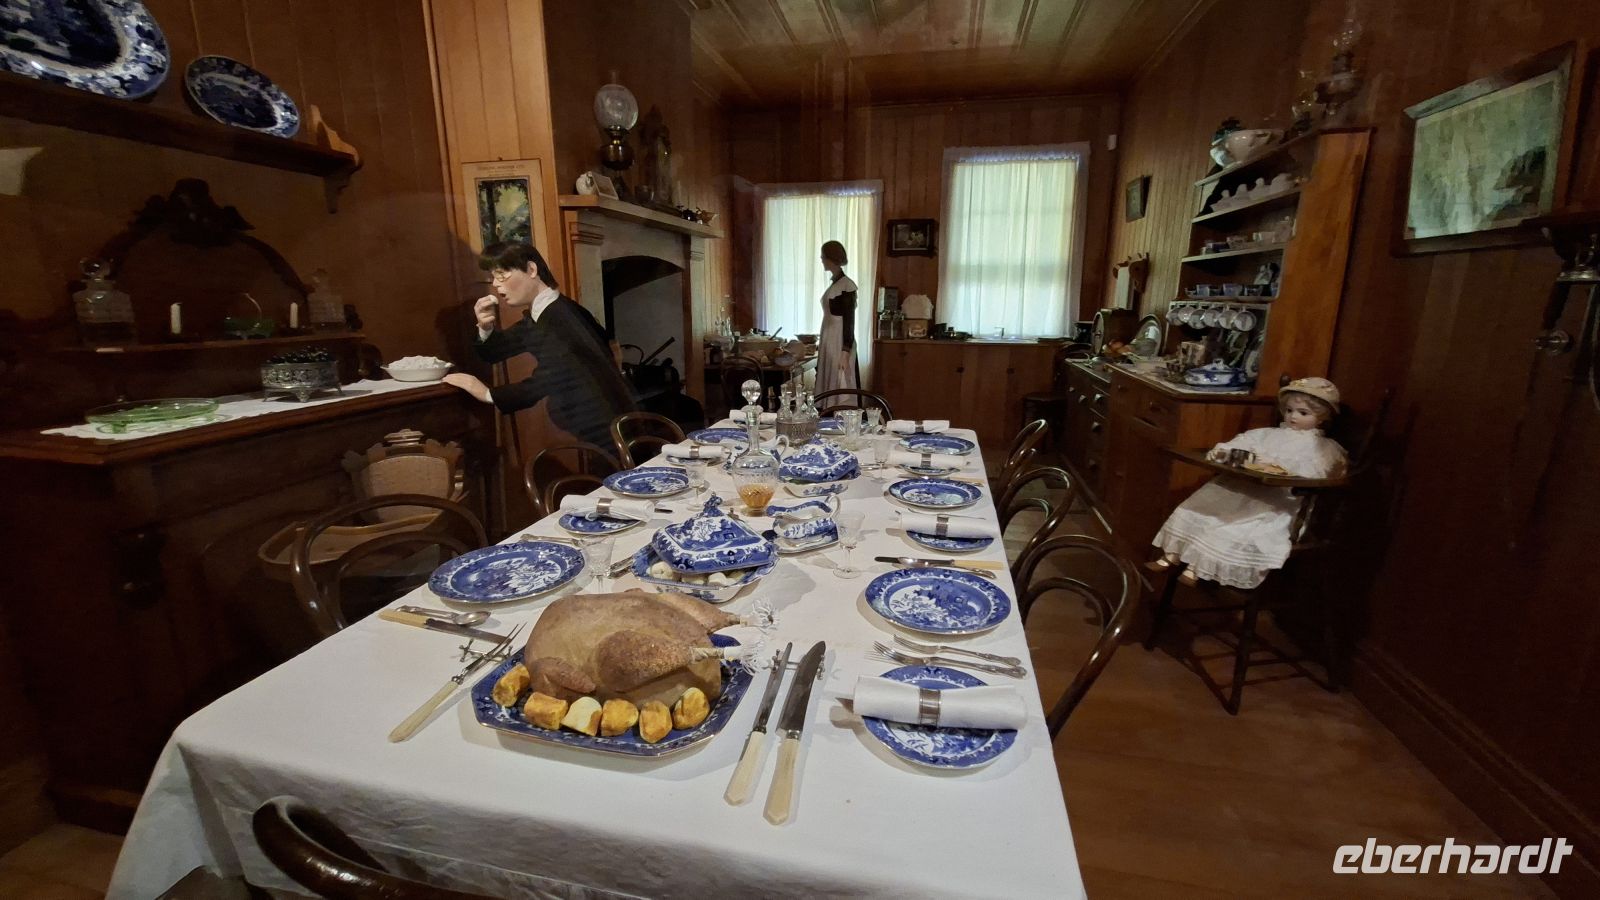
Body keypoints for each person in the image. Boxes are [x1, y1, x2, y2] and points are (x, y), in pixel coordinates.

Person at [1148, 377, 1347, 589]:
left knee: (1232, 527)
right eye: (1289, 410)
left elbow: (1317, 472)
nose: (1293, 416)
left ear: (1322, 418)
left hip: (1277, 500)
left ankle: (1196, 568)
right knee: (1198, 508)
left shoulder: (1322, 448)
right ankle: (1172, 554)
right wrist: (1228, 453)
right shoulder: (1267, 434)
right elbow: (1241, 443)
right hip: (1244, 489)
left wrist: (1278, 467)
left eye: (1303, 413)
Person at [442, 241, 635, 448]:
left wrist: (486, 393)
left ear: (531, 269)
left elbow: (549, 378)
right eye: (493, 277)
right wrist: (485, 326)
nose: (496, 284)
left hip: (605, 428)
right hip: (607, 423)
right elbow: (495, 352)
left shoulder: (558, 318)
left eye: (502, 275)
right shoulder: (546, 313)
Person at [816, 240, 859, 399]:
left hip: (838, 340)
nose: (821, 259)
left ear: (831, 258)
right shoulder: (835, 283)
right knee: (830, 379)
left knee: (841, 380)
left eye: (823, 256)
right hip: (829, 337)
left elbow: (849, 321)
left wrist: (845, 350)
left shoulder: (847, 286)